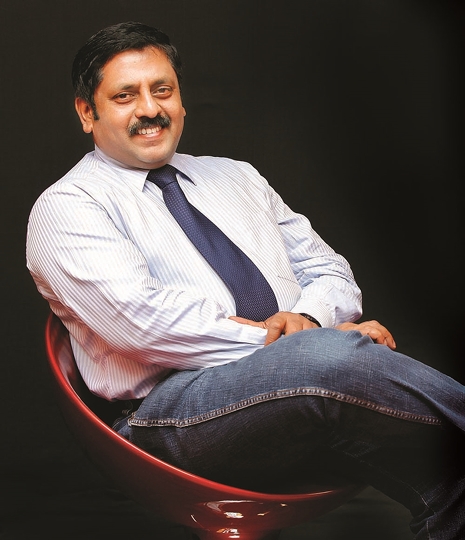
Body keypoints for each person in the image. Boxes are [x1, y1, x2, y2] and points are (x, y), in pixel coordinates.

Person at [26, 21, 464, 539]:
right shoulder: (68, 207)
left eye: (162, 90)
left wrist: (308, 321)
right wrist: (307, 345)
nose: (149, 109)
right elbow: (142, 325)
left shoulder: (238, 176)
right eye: (125, 96)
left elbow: (330, 270)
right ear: (87, 112)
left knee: (451, 470)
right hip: (169, 413)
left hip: (299, 393)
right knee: (329, 357)